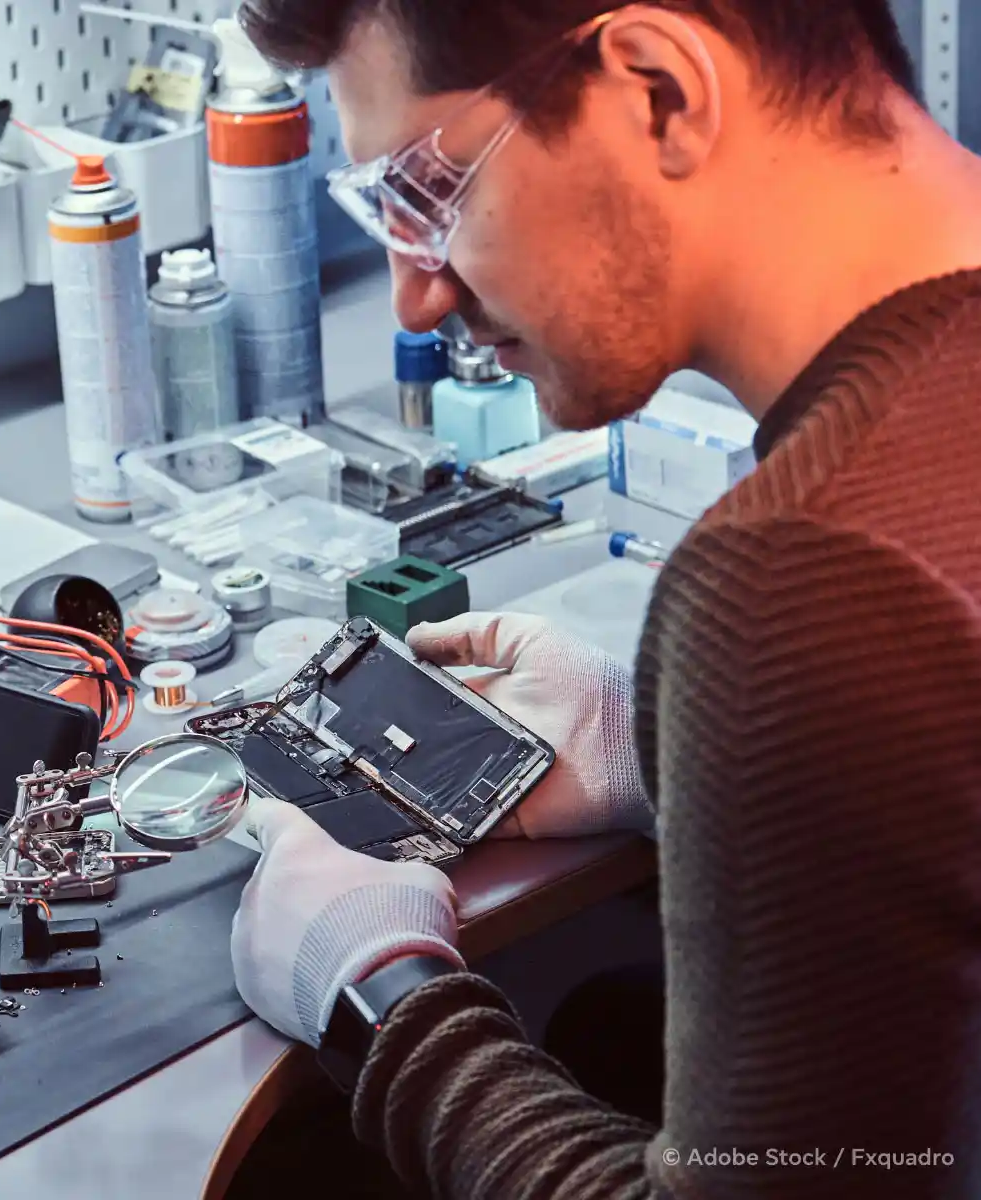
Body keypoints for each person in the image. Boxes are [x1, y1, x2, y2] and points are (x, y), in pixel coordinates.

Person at [226, 0, 981, 1196]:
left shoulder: (806, 564)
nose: (416, 298)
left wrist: (380, 989)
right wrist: (670, 758)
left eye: (426, 197)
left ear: (657, 91)